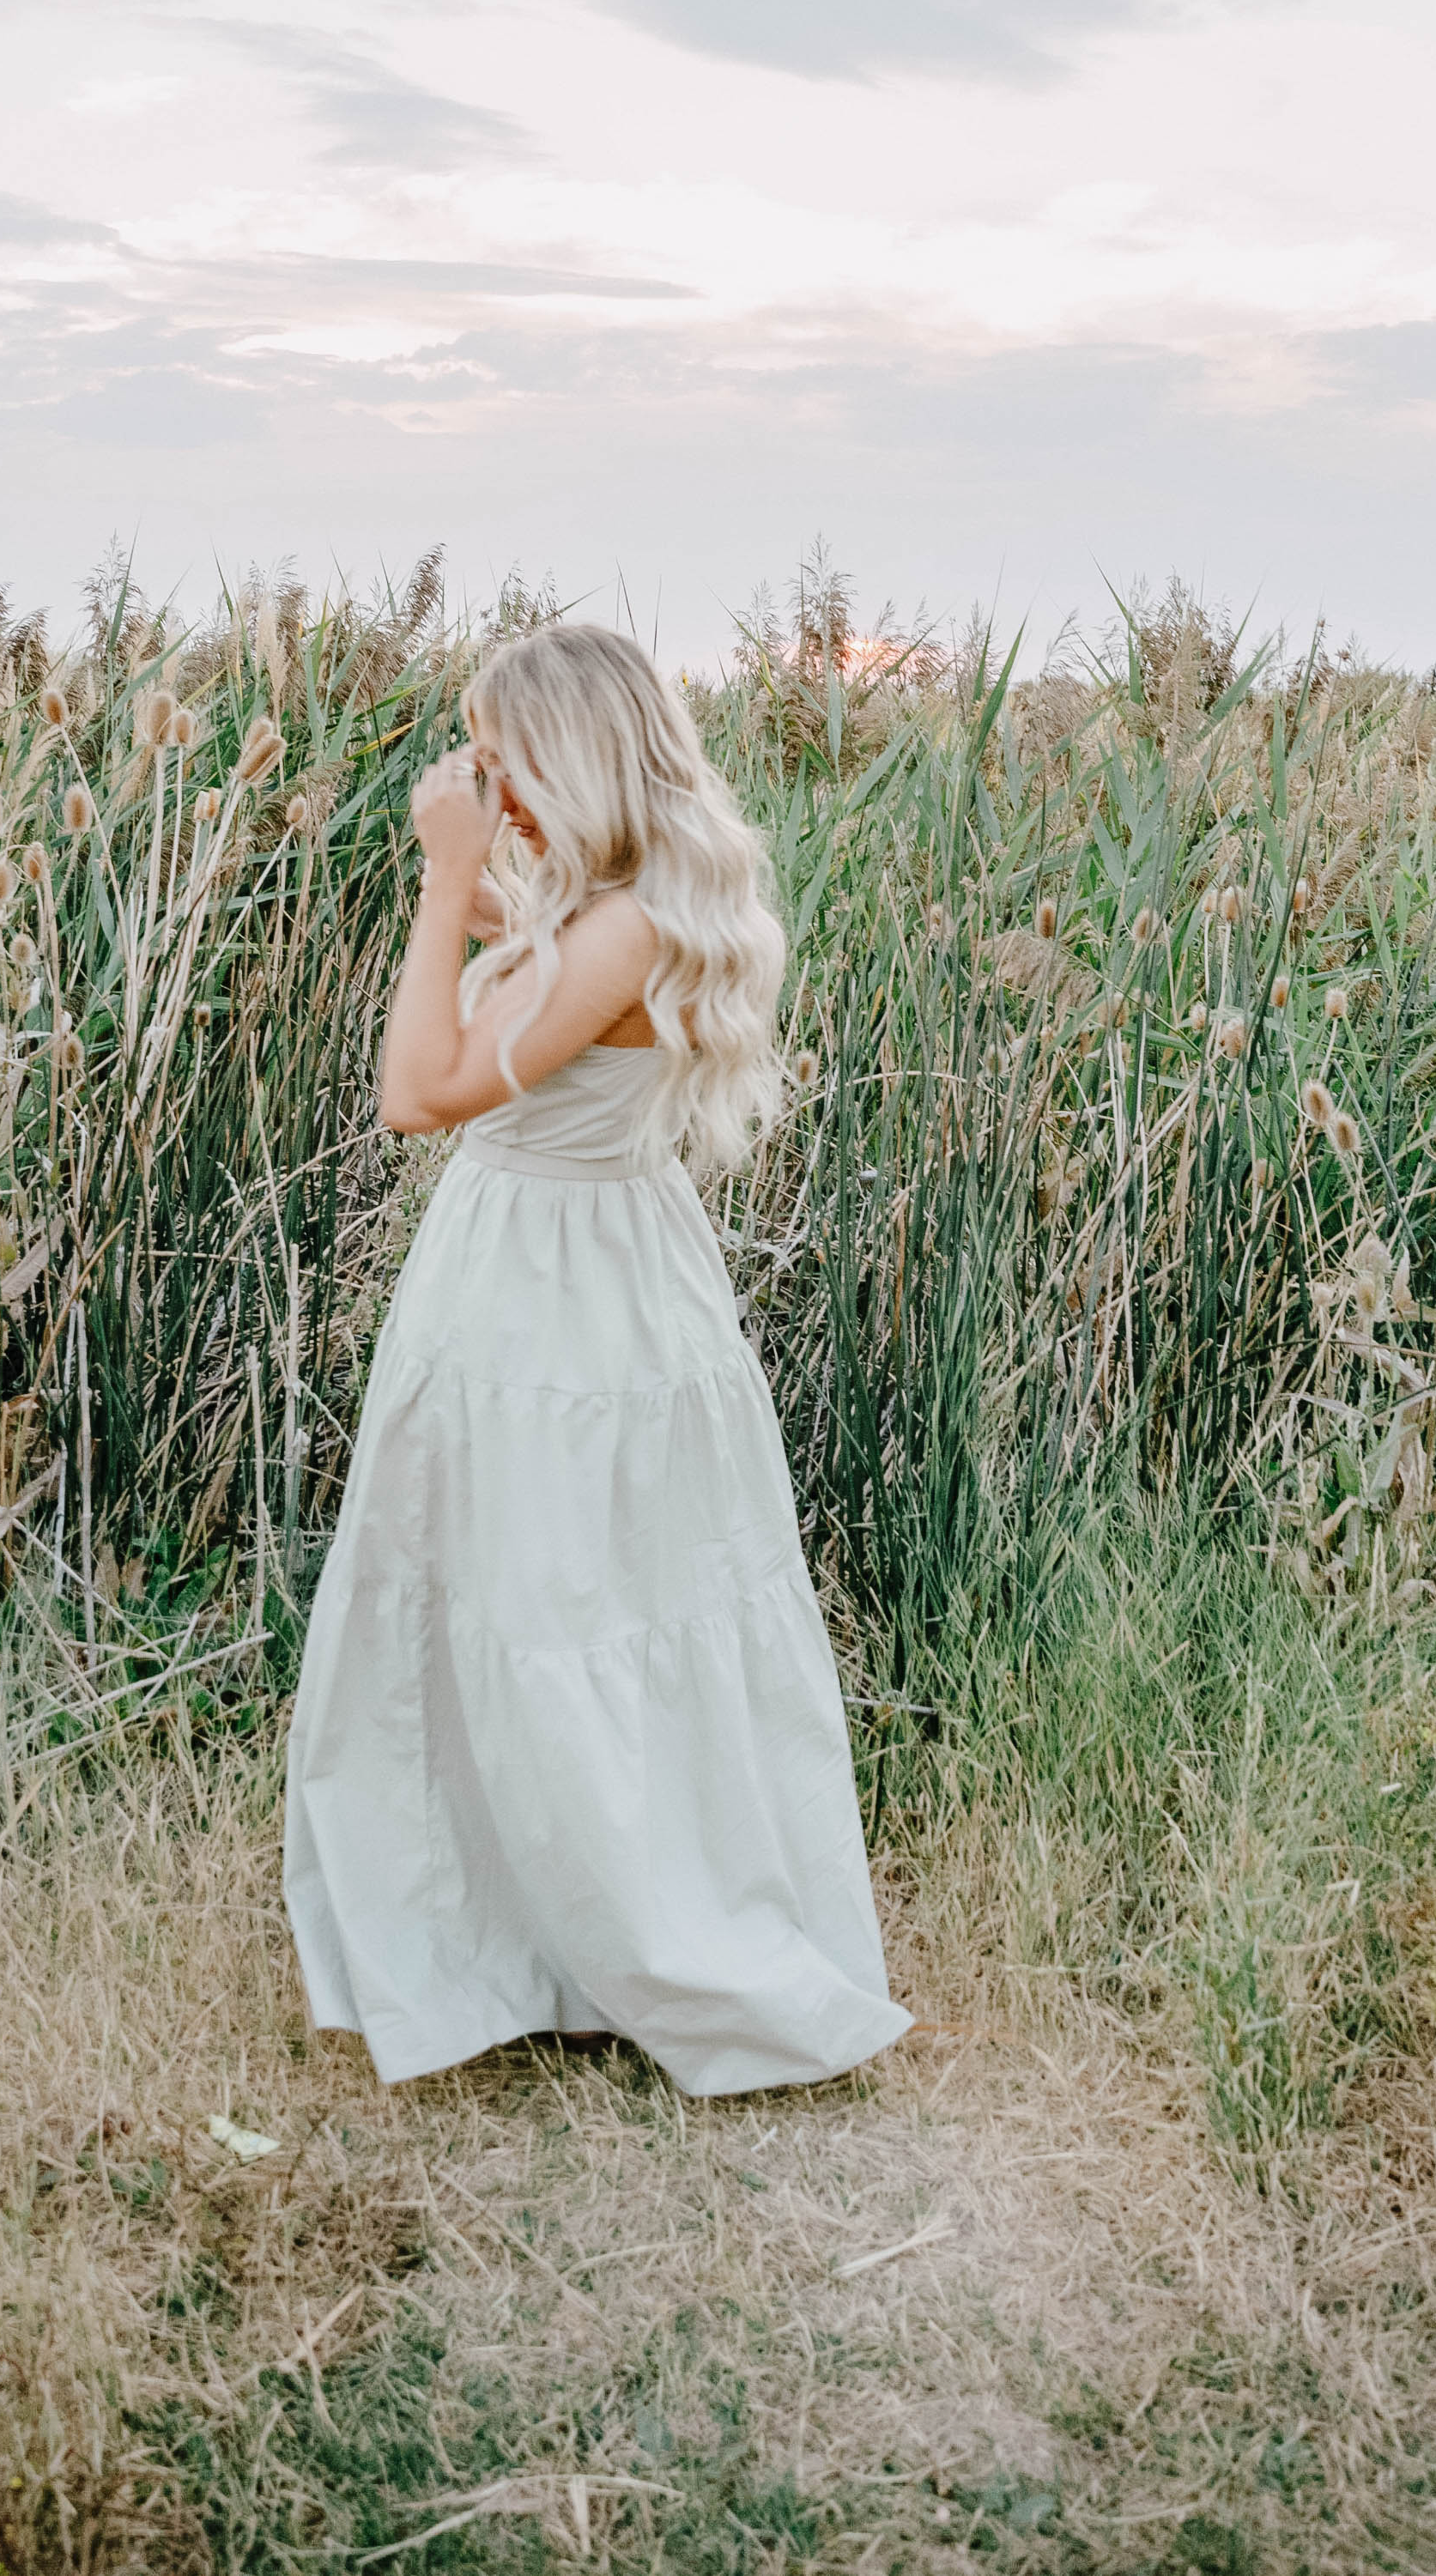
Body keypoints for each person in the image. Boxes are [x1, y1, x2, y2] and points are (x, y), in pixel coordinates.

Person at [283, 624, 912, 2095]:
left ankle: (625, 1939)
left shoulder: (626, 931)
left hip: (561, 1297)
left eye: (501, 755)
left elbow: (416, 1090)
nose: (484, 780)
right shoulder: (607, 910)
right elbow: (490, 991)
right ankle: (522, 1940)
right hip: (540, 1272)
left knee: (568, 1604)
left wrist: (443, 880)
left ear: (571, 755)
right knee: (512, 1600)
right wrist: (484, 885)